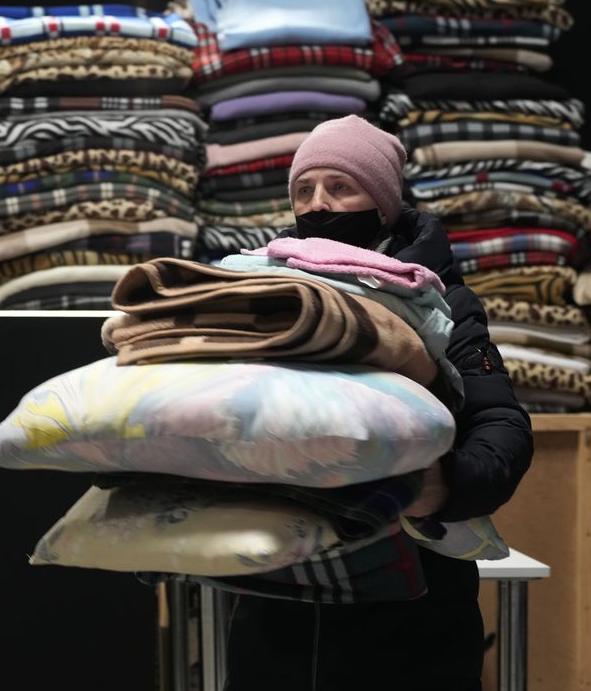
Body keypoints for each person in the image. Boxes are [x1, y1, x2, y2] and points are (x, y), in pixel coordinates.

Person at [224, 114, 533, 691]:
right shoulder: (262, 292)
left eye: (342, 187)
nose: (319, 205)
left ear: (384, 203)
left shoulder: (445, 304)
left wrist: (447, 484)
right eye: (303, 189)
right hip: (277, 612)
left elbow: (500, 422)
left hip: (413, 615)